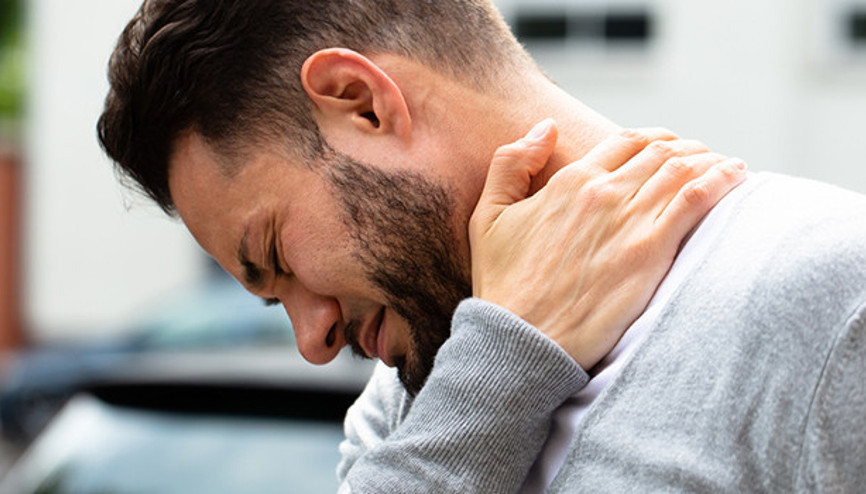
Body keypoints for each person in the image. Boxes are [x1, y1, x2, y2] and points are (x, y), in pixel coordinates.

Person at [97, 1, 866, 492]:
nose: (311, 341)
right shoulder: (413, 400)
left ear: (361, 103)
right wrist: (500, 368)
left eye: (276, 256)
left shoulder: (830, 297)